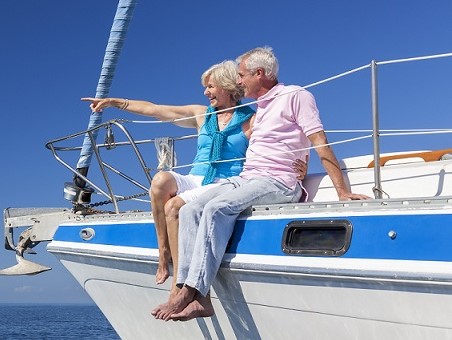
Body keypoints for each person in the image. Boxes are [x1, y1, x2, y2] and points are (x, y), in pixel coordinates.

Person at [151, 47, 371, 321]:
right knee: (190, 209)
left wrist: (342, 190)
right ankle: (200, 298)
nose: (238, 81)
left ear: (260, 74)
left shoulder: (296, 96)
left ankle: (188, 290)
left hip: (277, 181)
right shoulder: (260, 108)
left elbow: (318, 140)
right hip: (247, 178)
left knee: (217, 208)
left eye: (242, 75)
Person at [83, 61, 290, 290]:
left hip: (224, 182)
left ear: (226, 86)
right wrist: (114, 103)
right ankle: (163, 252)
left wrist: (297, 163)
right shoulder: (201, 115)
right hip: (196, 177)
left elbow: (273, 144)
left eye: (210, 86)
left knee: (174, 206)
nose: (206, 92)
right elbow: (155, 110)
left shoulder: (251, 120)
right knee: (160, 180)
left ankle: (178, 279)